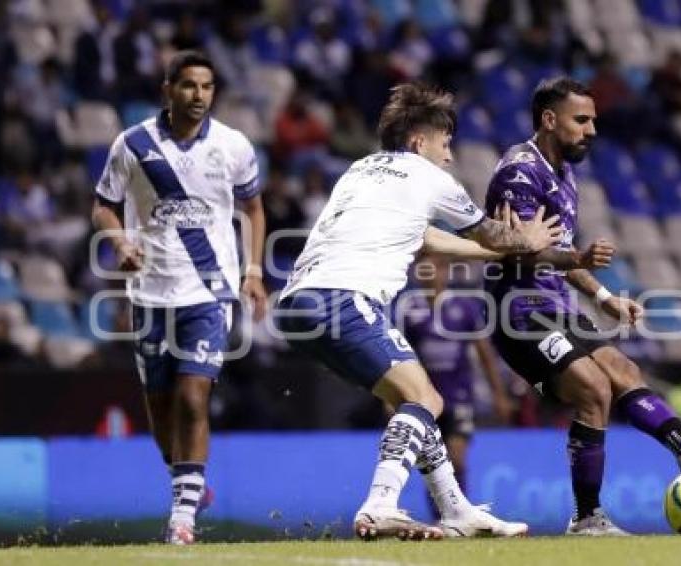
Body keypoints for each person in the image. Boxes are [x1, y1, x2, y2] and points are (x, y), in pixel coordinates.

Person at [275, 82, 562, 540]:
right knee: (424, 400)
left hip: (296, 304)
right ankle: (380, 504)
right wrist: (528, 240)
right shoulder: (430, 178)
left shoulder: (361, 169)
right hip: (345, 296)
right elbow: (495, 234)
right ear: (418, 142)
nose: (449, 156)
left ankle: (457, 510)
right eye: (445, 144)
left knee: (416, 398)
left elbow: (424, 237)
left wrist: (492, 255)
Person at [484, 77, 681, 536]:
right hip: (518, 311)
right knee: (593, 389)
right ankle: (587, 518)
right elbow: (518, 249)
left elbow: (564, 255)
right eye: (582, 120)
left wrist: (605, 297)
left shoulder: (564, 176)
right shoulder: (519, 173)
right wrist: (576, 257)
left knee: (624, 370)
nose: (592, 130)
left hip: (554, 305)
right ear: (550, 120)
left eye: (594, 120)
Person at [91, 50, 267, 545]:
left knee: (194, 398)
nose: (199, 96)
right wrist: (120, 240)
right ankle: (188, 485)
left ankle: (182, 521)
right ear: (168, 89)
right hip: (150, 291)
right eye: (189, 86)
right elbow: (103, 206)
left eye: (208, 87)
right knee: (160, 404)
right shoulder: (133, 144)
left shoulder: (233, 146)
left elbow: (253, 210)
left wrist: (252, 271)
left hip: (209, 292)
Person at [400, 254, 514, 504]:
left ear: (447, 273)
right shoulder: (410, 311)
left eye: (438, 269)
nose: (432, 275)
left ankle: (460, 510)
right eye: (425, 269)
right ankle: (441, 518)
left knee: (457, 457)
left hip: (459, 395)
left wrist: (499, 395)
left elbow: (485, 354)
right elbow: (402, 358)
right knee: (432, 463)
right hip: (426, 399)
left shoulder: (464, 307)